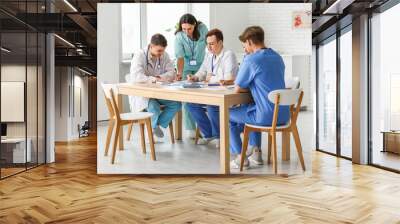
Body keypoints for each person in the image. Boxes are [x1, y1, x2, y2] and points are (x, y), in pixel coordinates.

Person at [229, 26, 290, 169]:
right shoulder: (277, 57)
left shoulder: (251, 60)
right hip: (283, 115)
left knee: (226, 115)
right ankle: (256, 152)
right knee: (248, 108)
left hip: (266, 116)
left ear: (249, 41)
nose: (244, 47)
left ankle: (241, 157)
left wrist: (246, 60)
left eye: (244, 44)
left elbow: (238, 88)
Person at [186, 29, 238, 148]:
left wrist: (211, 78)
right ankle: (209, 134)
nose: (209, 47)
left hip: (227, 92)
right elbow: (203, 71)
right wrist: (195, 77)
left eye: (212, 44)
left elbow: (228, 77)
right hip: (211, 90)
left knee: (212, 105)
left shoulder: (229, 55)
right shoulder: (209, 54)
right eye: (207, 43)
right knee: (191, 103)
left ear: (220, 43)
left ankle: (220, 136)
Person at [129, 34, 181, 139]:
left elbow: (172, 72)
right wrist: (153, 79)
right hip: (143, 95)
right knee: (154, 107)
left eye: (162, 51)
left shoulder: (164, 55)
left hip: (159, 92)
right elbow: (136, 76)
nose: (160, 54)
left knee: (176, 104)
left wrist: (160, 77)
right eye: (159, 51)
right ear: (151, 46)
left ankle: (156, 125)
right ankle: (153, 127)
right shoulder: (139, 55)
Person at [174, 13, 208, 138]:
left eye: (189, 28)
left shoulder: (203, 29)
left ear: (195, 25)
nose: (187, 31)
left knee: (204, 97)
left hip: (201, 67)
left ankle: (206, 129)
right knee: (186, 98)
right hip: (186, 69)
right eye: (184, 29)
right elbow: (180, 58)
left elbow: (210, 46)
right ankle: (190, 129)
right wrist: (179, 73)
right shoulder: (179, 36)